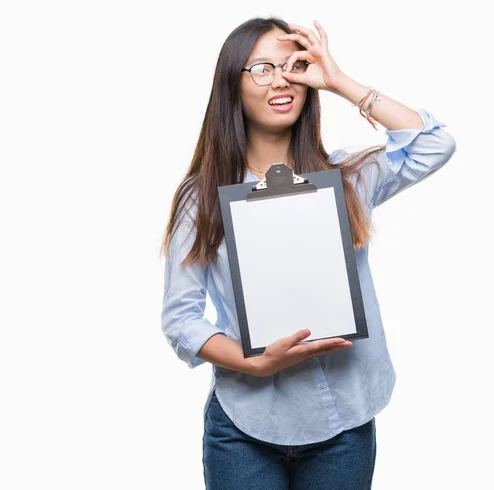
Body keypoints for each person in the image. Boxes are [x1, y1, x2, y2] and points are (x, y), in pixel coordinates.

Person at [160, 16, 456, 490]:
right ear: (230, 84)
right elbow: (181, 318)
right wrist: (252, 361)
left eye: (293, 65)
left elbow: (434, 143)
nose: (281, 80)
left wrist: (339, 81)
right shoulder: (203, 197)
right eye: (262, 68)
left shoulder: (347, 177)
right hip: (246, 427)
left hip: (346, 425)